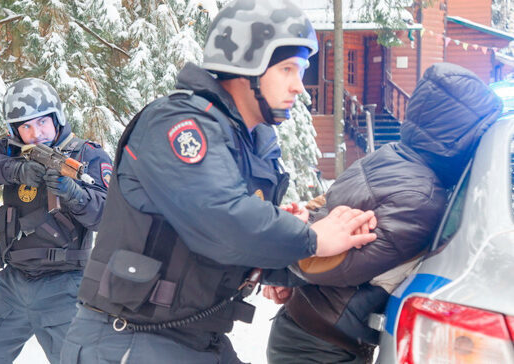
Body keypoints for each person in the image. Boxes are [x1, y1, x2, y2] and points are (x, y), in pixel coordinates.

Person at [60, 1, 378, 363]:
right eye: (288, 69)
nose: (298, 86)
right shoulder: (178, 125)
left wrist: (283, 257)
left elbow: (226, 242)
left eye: (301, 70)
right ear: (246, 67)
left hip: (193, 337)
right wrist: (311, 239)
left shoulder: (248, 141)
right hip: (130, 340)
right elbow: (223, 220)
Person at [264, 62, 503, 363]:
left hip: (307, 329)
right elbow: (330, 264)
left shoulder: (389, 157)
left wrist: (292, 252)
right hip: (319, 345)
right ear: (464, 137)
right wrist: (282, 266)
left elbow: (325, 212)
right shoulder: (422, 198)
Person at [0, 78, 112, 364]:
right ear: (14, 130)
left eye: (43, 122)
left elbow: (109, 219)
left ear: (57, 118)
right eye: (26, 126)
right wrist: (15, 170)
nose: (36, 133)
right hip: (13, 284)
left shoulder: (87, 155)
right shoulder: (14, 151)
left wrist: (73, 194)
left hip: (65, 286)